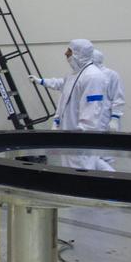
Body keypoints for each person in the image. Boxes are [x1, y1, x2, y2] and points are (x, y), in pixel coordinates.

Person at [29, 38, 110, 169]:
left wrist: (79, 136)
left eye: (69, 51)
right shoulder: (75, 74)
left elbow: (92, 110)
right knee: (71, 168)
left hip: (80, 139)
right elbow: (61, 84)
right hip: (69, 134)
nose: (66, 54)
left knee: (83, 171)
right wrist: (41, 81)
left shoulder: (93, 76)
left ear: (79, 53)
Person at [93, 49, 125, 130]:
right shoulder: (84, 75)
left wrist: (115, 119)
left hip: (105, 120)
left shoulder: (111, 75)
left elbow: (118, 98)